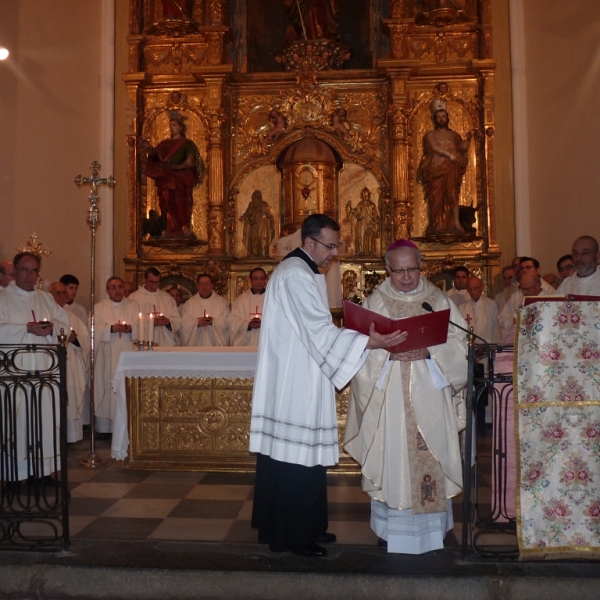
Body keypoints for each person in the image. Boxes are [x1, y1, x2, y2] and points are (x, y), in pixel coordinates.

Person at [249, 214, 406, 557]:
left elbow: (317, 329)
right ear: (309, 242)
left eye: (337, 245)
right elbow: (318, 330)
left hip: (303, 372)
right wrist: (368, 341)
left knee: (303, 458)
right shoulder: (294, 274)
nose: (334, 253)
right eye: (330, 245)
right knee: (297, 457)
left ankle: (306, 526)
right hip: (295, 381)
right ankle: (296, 536)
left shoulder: (303, 271)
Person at [344, 240, 467, 554]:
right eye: (399, 270)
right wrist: (387, 354)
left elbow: (459, 345)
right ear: (388, 269)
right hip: (391, 399)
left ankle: (433, 530)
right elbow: (360, 351)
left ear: (420, 266)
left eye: (412, 268)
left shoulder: (438, 301)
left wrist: (430, 351)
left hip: (430, 392)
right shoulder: (376, 302)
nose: (407, 276)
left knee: (432, 456)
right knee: (394, 455)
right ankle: (391, 529)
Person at [0, 252, 70, 482]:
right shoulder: (3, 298)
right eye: (24, 270)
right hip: (15, 374)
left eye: (34, 271)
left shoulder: (46, 299)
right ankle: (15, 476)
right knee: (17, 423)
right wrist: (25, 329)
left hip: (44, 372)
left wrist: (51, 328)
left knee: (44, 421)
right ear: (15, 272)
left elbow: (65, 325)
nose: (29, 276)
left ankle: (43, 472)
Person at [142, 110, 204, 237]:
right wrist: (149, 148)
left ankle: (183, 227)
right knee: (165, 202)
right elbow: (156, 156)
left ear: (181, 127)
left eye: (174, 125)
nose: (172, 128)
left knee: (181, 203)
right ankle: (166, 228)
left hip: (180, 179)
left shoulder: (187, 144)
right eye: (170, 125)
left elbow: (191, 159)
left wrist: (186, 163)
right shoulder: (164, 144)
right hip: (166, 178)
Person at [418, 99, 473, 235]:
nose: (441, 119)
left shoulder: (454, 135)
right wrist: (449, 155)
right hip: (435, 169)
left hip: (451, 168)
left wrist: (468, 139)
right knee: (436, 197)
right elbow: (435, 147)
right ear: (435, 119)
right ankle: (438, 223)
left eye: (443, 116)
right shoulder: (431, 135)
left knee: (452, 193)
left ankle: (456, 222)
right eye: (438, 117)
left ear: (448, 118)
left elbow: (462, 149)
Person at [94, 277, 139, 437]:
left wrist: (132, 328)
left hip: (128, 353)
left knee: (126, 388)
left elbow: (143, 326)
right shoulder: (99, 307)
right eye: (113, 287)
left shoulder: (134, 306)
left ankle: (127, 427)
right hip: (108, 354)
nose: (117, 290)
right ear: (107, 290)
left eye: (120, 287)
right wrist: (111, 328)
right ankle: (106, 428)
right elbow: (93, 330)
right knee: (108, 388)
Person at [49, 282, 90, 443]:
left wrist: (75, 340)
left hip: (71, 361)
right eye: (57, 293)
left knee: (71, 395)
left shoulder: (72, 315)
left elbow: (85, 337)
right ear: (50, 294)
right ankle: (55, 435)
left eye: (63, 293)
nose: (60, 297)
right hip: (53, 361)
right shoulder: (47, 312)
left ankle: (70, 436)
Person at [130, 267, 181, 347]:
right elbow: (132, 323)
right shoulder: (133, 299)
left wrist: (168, 322)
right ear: (144, 279)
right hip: (145, 342)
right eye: (151, 282)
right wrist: (151, 323)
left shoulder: (167, 298)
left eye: (157, 282)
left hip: (165, 343)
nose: (154, 286)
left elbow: (177, 320)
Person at [180, 274, 230, 346]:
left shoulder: (222, 302)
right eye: (202, 284)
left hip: (215, 346)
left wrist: (213, 322)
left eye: (208, 283)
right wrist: (197, 323)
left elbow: (228, 321)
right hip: (196, 346)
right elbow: (184, 323)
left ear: (212, 285)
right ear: (197, 286)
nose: (205, 287)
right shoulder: (189, 304)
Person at [229, 268, 267, 347]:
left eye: (261, 278)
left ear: (265, 280)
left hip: (266, 343)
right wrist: (248, 325)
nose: (259, 281)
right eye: (255, 278)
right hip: (246, 344)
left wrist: (264, 324)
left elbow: (279, 320)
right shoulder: (241, 300)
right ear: (251, 280)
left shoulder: (272, 299)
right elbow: (233, 320)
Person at [345, 187, 380, 256]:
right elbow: (357, 212)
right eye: (364, 196)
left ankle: (370, 250)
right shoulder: (360, 204)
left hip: (370, 223)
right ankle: (361, 251)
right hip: (361, 223)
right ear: (362, 196)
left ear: (369, 196)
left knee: (370, 237)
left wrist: (376, 218)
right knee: (361, 236)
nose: (365, 198)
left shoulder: (372, 205)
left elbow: (375, 214)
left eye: (366, 196)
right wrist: (352, 210)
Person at [239, 190, 275, 257]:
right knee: (254, 239)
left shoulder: (264, 204)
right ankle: (253, 253)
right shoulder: (251, 205)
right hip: (254, 226)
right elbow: (247, 214)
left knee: (262, 238)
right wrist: (243, 217)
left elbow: (269, 214)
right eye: (255, 196)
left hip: (263, 226)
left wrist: (271, 220)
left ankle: (263, 253)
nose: (256, 198)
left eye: (258, 196)